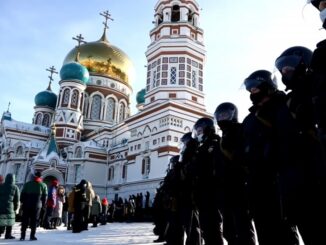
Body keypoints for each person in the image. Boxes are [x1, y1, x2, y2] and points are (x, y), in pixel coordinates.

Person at [242, 70, 300, 245]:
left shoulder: (284, 106)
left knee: (285, 233)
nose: (252, 93)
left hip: (281, 181)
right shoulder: (249, 119)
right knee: (265, 232)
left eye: (255, 88)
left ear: (267, 86)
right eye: (250, 90)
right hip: (258, 185)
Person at [275, 46, 326, 244]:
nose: (285, 72)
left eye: (289, 67)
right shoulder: (287, 102)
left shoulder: (317, 85)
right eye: (282, 70)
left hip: (318, 174)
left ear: (304, 63)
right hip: (297, 184)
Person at [214, 102, 256, 245]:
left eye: (224, 114)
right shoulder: (221, 138)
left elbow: (244, 155)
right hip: (226, 189)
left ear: (232, 114)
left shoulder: (240, 130)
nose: (221, 118)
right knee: (228, 231)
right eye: (219, 116)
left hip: (239, 186)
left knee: (242, 227)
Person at [192, 117, 225, 245]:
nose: (198, 134)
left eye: (200, 131)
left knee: (214, 228)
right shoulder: (202, 147)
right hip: (203, 194)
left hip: (212, 193)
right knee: (206, 228)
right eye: (197, 131)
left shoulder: (215, 143)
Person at [20, 171, 48, 241]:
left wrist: (23, 202)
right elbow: (45, 197)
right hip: (37, 206)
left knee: (25, 220)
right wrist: (43, 205)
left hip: (27, 205)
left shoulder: (27, 184)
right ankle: (32, 236)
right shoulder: (43, 185)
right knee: (34, 220)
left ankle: (22, 236)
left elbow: (22, 195)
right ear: (41, 177)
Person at [0, 174, 20, 240]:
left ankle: (0, 232)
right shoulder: (15, 187)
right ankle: (8, 235)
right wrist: (15, 208)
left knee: (1, 220)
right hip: (10, 207)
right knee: (10, 221)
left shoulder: (1, 186)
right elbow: (17, 200)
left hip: (1, 206)